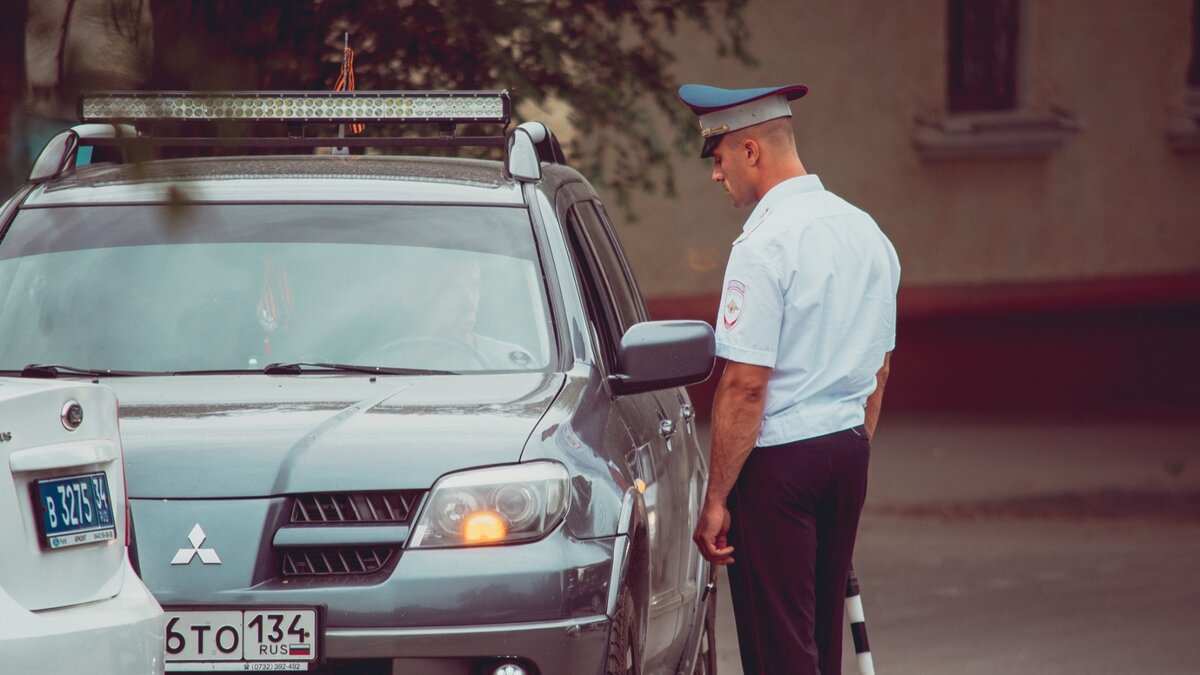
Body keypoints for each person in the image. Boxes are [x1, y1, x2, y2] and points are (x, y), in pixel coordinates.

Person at [679, 82, 900, 675]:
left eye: (719, 157)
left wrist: (717, 498)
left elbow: (745, 385)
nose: (716, 174)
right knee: (822, 642)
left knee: (780, 649)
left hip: (779, 463)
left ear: (751, 151)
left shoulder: (764, 244)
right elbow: (878, 369)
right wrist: (848, 450)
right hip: (846, 450)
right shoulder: (867, 232)